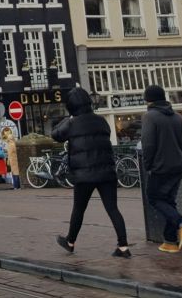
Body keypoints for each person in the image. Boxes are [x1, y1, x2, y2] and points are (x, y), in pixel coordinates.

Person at [51, 88, 130, 258]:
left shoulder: (72, 123)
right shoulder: (102, 121)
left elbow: (56, 135)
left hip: (84, 174)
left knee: (79, 209)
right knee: (113, 209)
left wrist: (68, 119)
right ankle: (123, 246)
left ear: (71, 106)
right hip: (106, 172)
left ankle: (70, 242)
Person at [141, 84, 182, 253]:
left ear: (148, 100)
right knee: (168, 201)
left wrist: (148, 165)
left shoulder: (150, 117)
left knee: (154, 197)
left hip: (161, 167)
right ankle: (170, 241)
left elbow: (148, 144)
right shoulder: (177, 117)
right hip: (178, 166)